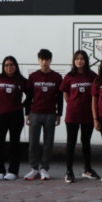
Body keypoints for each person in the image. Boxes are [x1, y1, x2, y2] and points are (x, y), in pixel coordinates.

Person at [24, 49, 63, 181]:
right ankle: (34, 168)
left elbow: (59, 97)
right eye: (42, 59)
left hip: (50, 114)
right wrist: (27, 114)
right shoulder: (33, 76)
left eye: (47, 59)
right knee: (33, 143)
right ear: (38, 60)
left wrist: (59, 114)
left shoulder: (57, 77)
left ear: (50, 60)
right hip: (35, 113)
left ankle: (44, 169)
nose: (44, 62)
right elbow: (29, 97)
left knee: (48, 143)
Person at [60, 50, 98, 183]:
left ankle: (87, 169)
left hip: (88, 114)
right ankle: (69, 172)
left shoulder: (92, 76)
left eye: (82, 59)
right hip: (73, 114)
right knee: (71, 142)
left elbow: (96, 94)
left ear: (86, 61)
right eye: (77, 59)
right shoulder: (69, 76)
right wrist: (73, 104)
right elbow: (66, 93)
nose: (79, 61)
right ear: (74, 61)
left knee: (86, 142)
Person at [0, 56, 27, 180]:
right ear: (3, 67)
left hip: (16, 116)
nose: (9, 67)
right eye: (6, 65)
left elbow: (31, 95)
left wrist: (23, 105)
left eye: (11, 65)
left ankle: (13, 171)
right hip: (0, 115)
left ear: (16, 66)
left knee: (14, 144)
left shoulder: (22, 80)